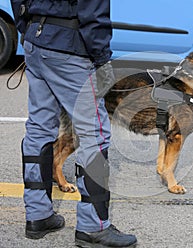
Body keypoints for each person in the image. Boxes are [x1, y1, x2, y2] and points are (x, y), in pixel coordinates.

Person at [10, 0, 137, 247]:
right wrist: (102, 60)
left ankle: (38, 215)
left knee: (39, 128)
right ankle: (93, 228)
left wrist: (27, 29)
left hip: (37, 41)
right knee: (95, 134)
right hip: (69, 47)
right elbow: (94, 11)